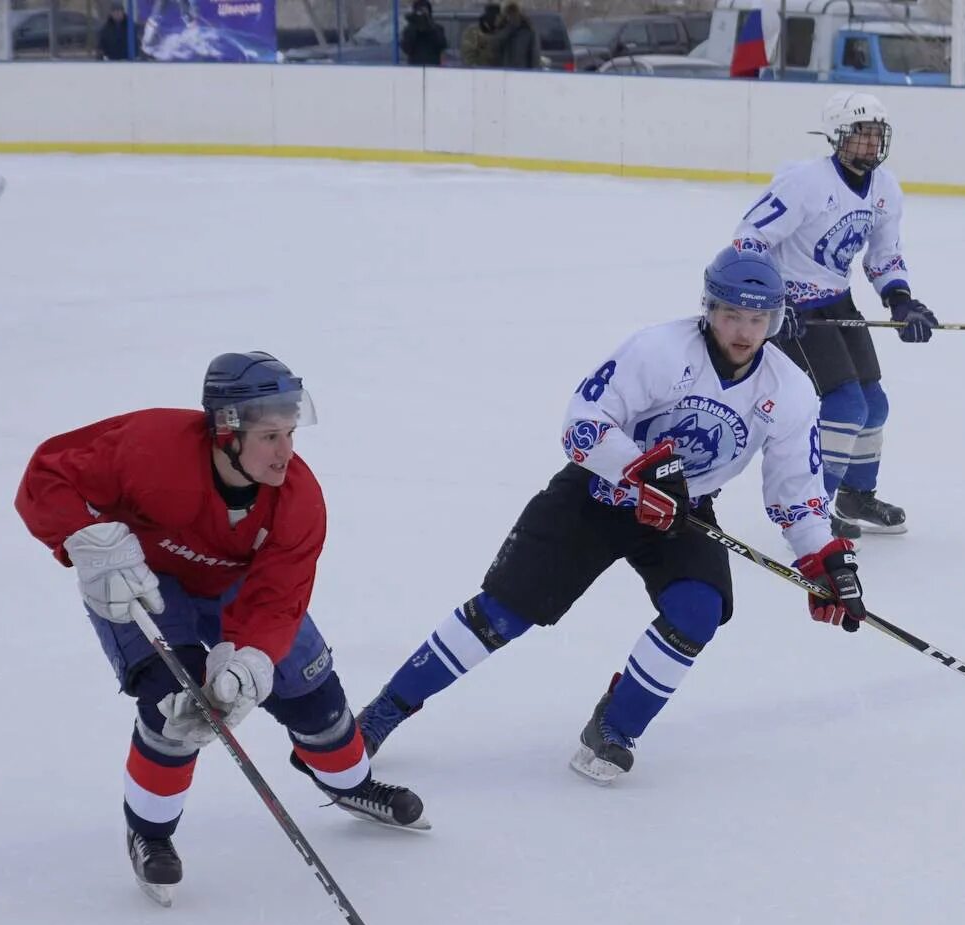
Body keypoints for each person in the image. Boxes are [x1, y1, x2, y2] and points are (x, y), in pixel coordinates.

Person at [357, 249, 869, 784]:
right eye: (731, 315)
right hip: (595, 497)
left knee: (698, 611)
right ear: (708, 308)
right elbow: (582, 422)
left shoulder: (788, 390)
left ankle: (614, 727)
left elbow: (796, 494)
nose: (744, 331)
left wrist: (824, 559)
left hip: (681, 513)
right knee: (500, 614)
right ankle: (384, 711)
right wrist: (640, 468)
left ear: (776, 319)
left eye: (757, 318)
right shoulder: (659, 351)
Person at [15, 353, 427, 905]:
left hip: (239, 586)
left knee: (314, 697)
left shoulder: (298, 500)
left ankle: (351, 785)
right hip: (140, 579)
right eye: (271, 436)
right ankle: (150, 834)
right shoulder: (149, 445)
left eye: (291, 433)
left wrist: (252, 658)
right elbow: (49, 473)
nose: (287, 451)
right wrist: (84, 538)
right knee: (174, 704)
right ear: (227, 431)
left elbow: (278, 598)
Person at [731, 90, 937, 540]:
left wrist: (902, 300)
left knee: (874, 404)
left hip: (838, 302)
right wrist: (770, 304)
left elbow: (884, 254)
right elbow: (749, 239)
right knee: (846, 404)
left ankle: (855, 496)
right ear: (838, 137)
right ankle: (814, 511)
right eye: (862, 135)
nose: (871, 144)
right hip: (794, 308)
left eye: (877, 134)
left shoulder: (885, 189)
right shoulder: (804, 182)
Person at [492, 1, 540, 70]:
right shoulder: (501, 28)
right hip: (505, 73)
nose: (512, 15)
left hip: (520, 73)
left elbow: (534, 56)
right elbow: (494, 47)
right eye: (510, 12)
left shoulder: (527, 29)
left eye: (514, 11)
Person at [401, 0, 447, 66]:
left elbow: (442, 45)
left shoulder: (437, 28)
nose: (421, 14)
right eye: (419, 11)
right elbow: (406, 49)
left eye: (424, 11)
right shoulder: (410, 29)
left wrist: (430, 26)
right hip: (414, 67)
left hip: (433, 66)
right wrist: (413, 26)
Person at [460, 3, 501, 67]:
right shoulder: (473, 31)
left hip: (500, 71)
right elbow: (468, 55)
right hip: (480, 70)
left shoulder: (502, 30)